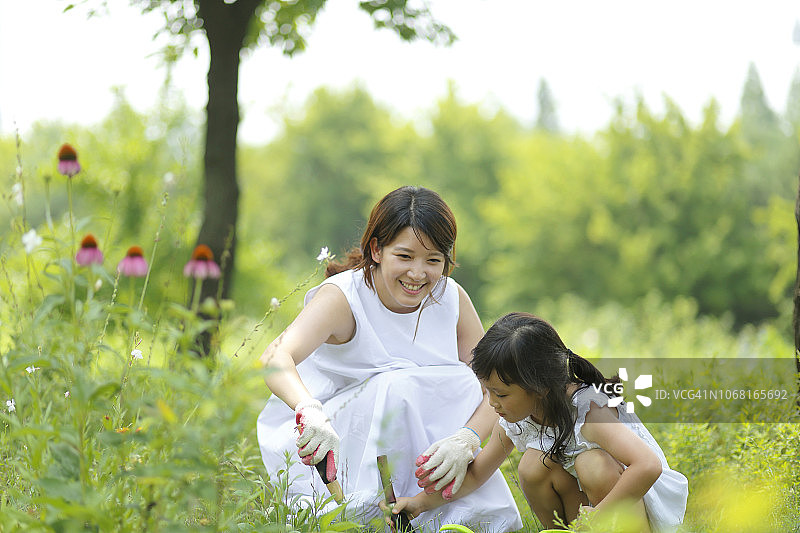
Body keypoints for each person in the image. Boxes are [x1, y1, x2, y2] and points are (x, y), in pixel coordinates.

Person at [256, 186, 522, 531]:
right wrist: (309, 410)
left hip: (411, 432)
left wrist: (467, 438)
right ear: (377, 249)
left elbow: (495, 387)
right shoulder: (344, 297)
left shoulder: (451, 298)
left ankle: (452, 515)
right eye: (405, 256)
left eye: (433, 260)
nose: (418, 274)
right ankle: (374, 513)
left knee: (461, 379)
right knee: (401, 384)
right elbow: (276, 358)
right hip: (329, 434)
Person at [402, 312, 688, 532]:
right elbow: (477, 474)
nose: (491, 403)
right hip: (589, 516)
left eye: (500, 393)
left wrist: (600, 517)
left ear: (539, 387)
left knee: (592, 465)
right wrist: (418, 504)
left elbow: (647, 466)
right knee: (532, 464)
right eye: (487, 391)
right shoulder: (515, 420)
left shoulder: (590, 412)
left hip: (635, 507)